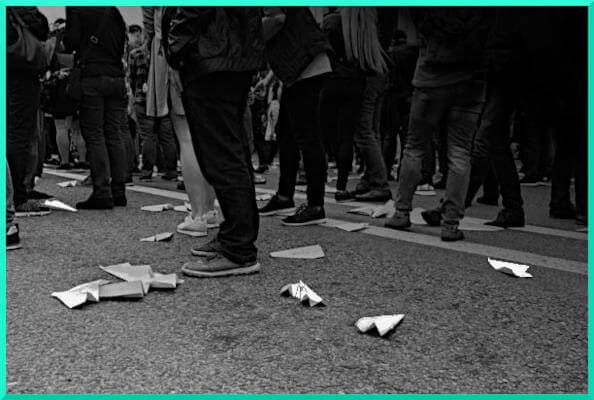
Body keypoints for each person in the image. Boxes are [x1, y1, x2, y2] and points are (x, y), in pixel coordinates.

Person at [166, 6, 265, 277]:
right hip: (229, 54)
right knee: (230, 150)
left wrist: (175, 48)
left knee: (221, 155)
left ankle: (238, 247)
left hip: (213, 57)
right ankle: (235, 234)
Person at [384, 7, 489, 241]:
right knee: (460, 152)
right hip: (470, 79)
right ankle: (450, 222)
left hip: (431, 75)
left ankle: (402, 211)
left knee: (414, 147)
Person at [257, 7, 332, 226]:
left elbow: (277, 19)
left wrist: (249, 35)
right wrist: (269, 80)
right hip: (302, 66)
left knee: (307, 136)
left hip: (306, 67)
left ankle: (315, 204)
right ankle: (284, 196)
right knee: (286, 133)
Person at [320, 7, 392, 203]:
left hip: (364, 77)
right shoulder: (368, 19)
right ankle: (371, 178)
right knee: (372, 131)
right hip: (378, 73)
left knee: (363, 132)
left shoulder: (344, 21)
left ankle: (379, 183)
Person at [65, 6, 128, 210]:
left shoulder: (77, 8)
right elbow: (121, 43)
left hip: (92, 75)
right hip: (116, 76)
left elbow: (71, 41)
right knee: (114, 132)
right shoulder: (113, 10)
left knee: (94, 133)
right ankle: (119, 190)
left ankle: (102, 191)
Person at [7, 6, 51, 216]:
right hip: (19, 74)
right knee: (19, 135)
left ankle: (12, 194)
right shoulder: (21, 8)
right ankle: (18, 196)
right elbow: (41, 27)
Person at [136, 7, 178, 182]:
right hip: (167, 96)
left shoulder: (137, 53)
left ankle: (146, 172)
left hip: (143, 99)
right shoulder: (169, 48)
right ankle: (171, 171)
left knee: (148, 137)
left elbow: (133, 78)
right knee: (168, 137)